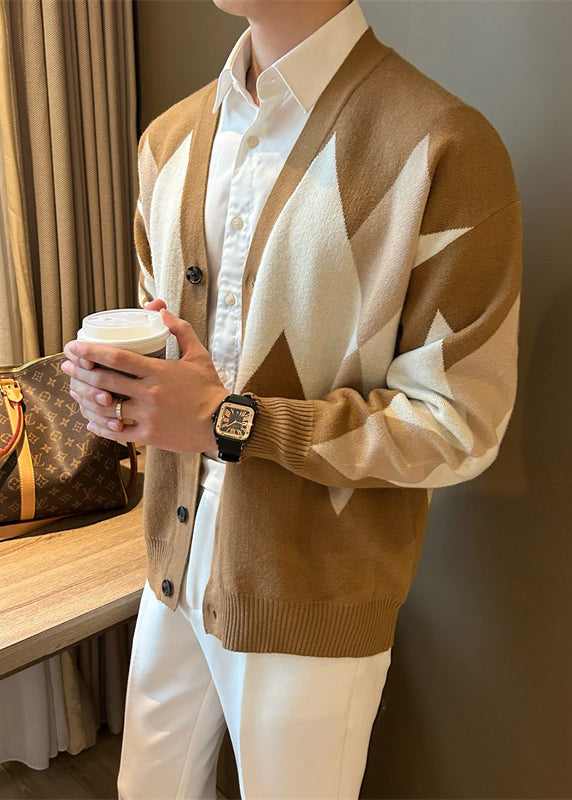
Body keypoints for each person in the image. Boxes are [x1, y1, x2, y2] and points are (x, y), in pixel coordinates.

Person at [62, 0, 522, 796]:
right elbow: (172, 345)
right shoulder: (169, 140)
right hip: (172, 564)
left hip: (315, 587)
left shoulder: (441, 146)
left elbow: (459, 424)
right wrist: (129, 399)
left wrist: (229, 422)